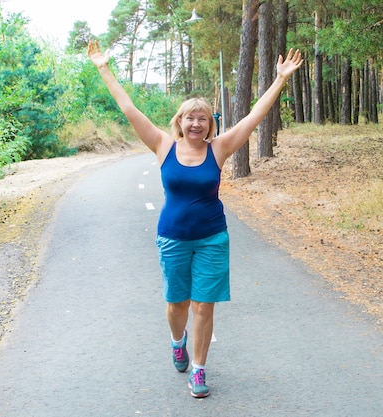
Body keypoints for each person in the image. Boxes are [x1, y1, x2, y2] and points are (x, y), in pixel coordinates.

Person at [87, 40, 303, 398]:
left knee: (204, 304)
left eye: (203, 118)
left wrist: (279, 80)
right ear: (180, 122)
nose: (196, 124)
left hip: (212, 238)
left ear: (210, 124)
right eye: (190, 117)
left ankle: (199, 370)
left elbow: (253, 117)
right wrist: (103, 67)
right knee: (178, 304)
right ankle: (177, 340)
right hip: (173, 236)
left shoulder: (219, 148)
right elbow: (129, 109)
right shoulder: (162, 145)